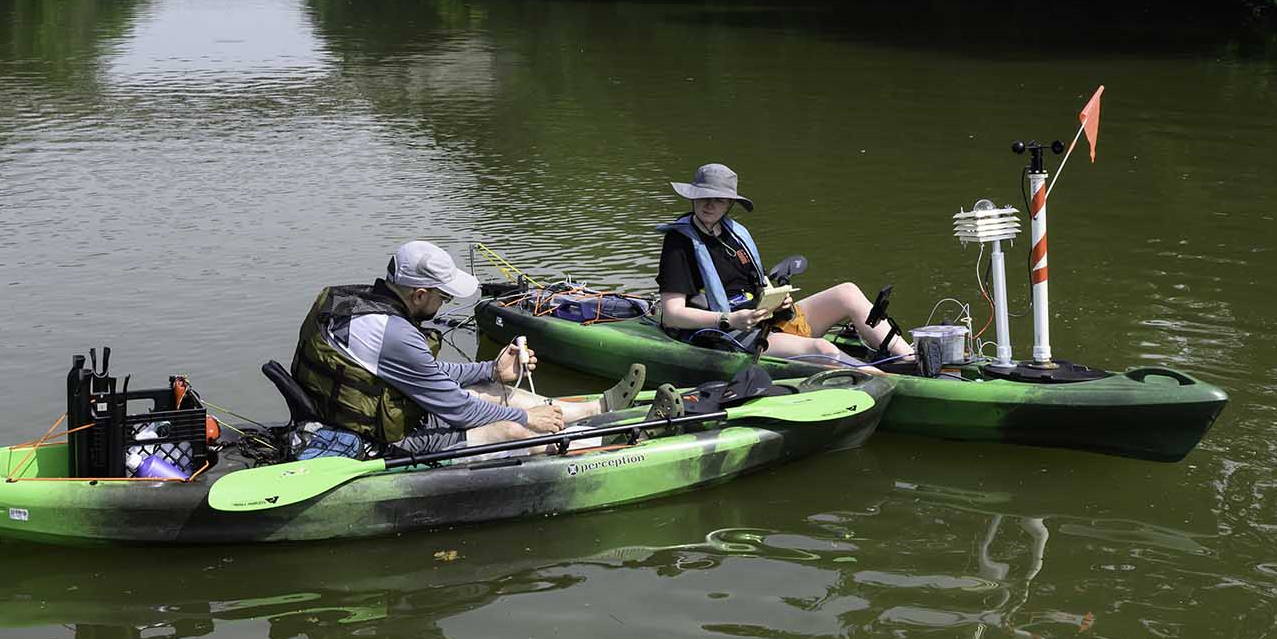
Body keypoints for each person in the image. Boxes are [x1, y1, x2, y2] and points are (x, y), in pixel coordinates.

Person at [291, 240, 655, 457]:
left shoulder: (351, 303)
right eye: (444, 296)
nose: (446, 303)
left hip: (355, 415)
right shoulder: (394, 334)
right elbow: (460, 410)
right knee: (511, 429)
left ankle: (600, 407)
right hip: (375, 441)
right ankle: (607, 443)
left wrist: (490, 370)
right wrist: (529, 420)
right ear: (419, 294)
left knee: (496, 392)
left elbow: (423, 374)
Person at [654, 163, 914, 371]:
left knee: (847, 291)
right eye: (704, 197)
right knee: (823, 349)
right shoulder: (679, 242)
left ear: (730, 204)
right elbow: (672, 314)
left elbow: (759, 283)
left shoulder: (734, 233)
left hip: (764, 320)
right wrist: (729, 319)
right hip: (728, 334)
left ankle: (909, 360)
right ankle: (894, 384)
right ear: (693, 198)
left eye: (719, 199)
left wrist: (780, 301)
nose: (710, 204)